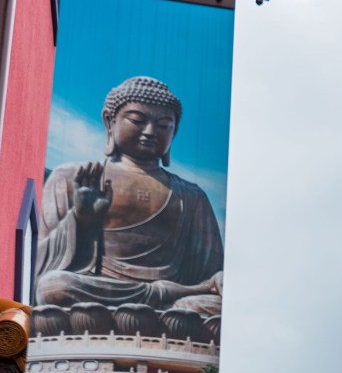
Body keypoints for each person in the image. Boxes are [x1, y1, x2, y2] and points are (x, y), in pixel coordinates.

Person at [35, 77, 223, 317]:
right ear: (109, 121)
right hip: (98, 291)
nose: (150, 132)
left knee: (213, 307)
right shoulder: (72, 178)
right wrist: (80, 220)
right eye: (137, 120)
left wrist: (216, 281)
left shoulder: (192, 197)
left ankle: (158, 308)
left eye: (164, 125)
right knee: (54, 287)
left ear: (174, 132)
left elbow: (211, 275)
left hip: (176, 302)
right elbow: (40, 266)